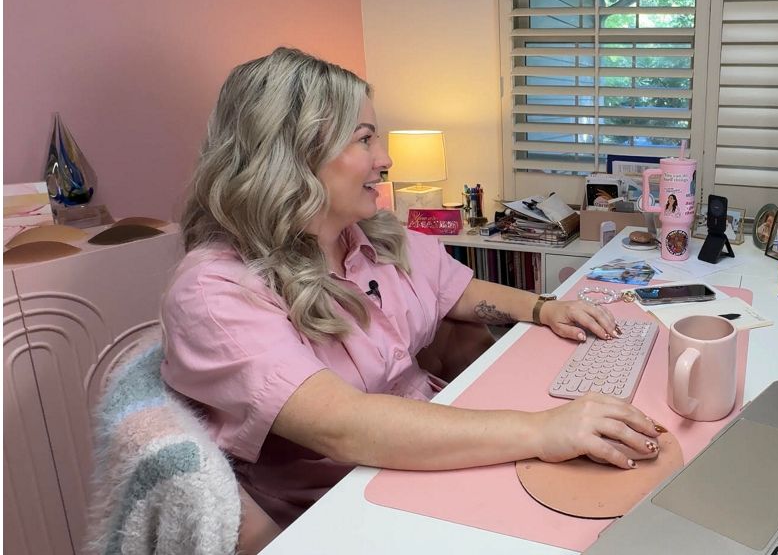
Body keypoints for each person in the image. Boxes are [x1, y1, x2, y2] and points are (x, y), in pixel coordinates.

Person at [160, 48, 661, 527]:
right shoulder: (215, 291)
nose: (385, 159)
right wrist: (542, 429)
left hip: (426, 450)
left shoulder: (368, 234)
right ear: (291, 155)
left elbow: (457, 292)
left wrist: (542, 308)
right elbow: (342, 425)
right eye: (364, 139)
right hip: (346, 502)